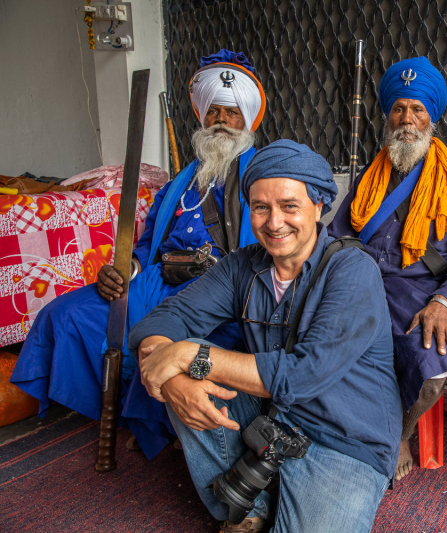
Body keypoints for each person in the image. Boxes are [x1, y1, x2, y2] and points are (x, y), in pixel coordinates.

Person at [128, 140, 401, 533]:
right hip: (271, 416)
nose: (274, 223)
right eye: (260, 207)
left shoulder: (352, 271)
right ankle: (252, 509)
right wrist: (165, 367)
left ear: (318, 206)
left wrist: (191, 355)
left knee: (187, 362)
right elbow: (167, 317)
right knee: (179, 377)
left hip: (343, 437)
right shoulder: (242, 266)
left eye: (289, 206)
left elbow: (302, 375)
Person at [12, 49, 268, 458]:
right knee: (66, 314)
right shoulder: (180, 182)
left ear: (248, 120)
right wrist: (126, 268)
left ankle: (153, 422)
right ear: (202, 117)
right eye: (214, 112)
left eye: (232, 112)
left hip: (217, 290)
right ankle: (125, 414)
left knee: (167, 346)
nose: (221, 120)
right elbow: (148, 244)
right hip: (154, 280)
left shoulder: (261, 174)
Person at [328, 56, 447, 481]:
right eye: (399, 109)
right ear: (388, 116)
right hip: (365, 285)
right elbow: (338, 237)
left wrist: (446, 301)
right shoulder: (370, 176)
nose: (407, 119)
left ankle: (400, 430)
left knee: (431, 355)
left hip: (425, 292)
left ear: (432, 118)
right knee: (317, 334)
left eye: (417, 109)